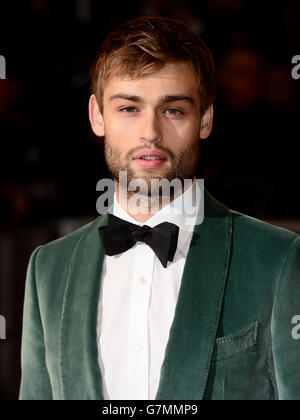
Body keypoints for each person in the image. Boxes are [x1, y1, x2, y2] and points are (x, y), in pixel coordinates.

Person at [19, 16, 300, 401]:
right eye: (129, 109)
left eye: (172, 111)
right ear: (97, 116)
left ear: (205, 119)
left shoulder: (277, 259)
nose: (150, 131)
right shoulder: (47, 270)